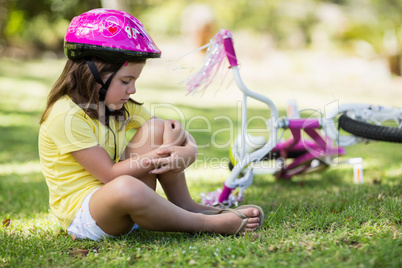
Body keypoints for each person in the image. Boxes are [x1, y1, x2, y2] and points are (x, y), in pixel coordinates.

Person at [38, 8, 264, 241]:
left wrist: (188, 150)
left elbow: (170, 130)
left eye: (134, 81)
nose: (132, 89)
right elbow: (109, 175)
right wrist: (160, 156)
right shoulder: (65, 115)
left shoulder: (118, 105)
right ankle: (207, 223)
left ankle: (189, 207)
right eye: (126, 81)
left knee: (159, 130)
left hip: (122, 196)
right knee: (125, 185)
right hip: (87, 216)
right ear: (92, 72)